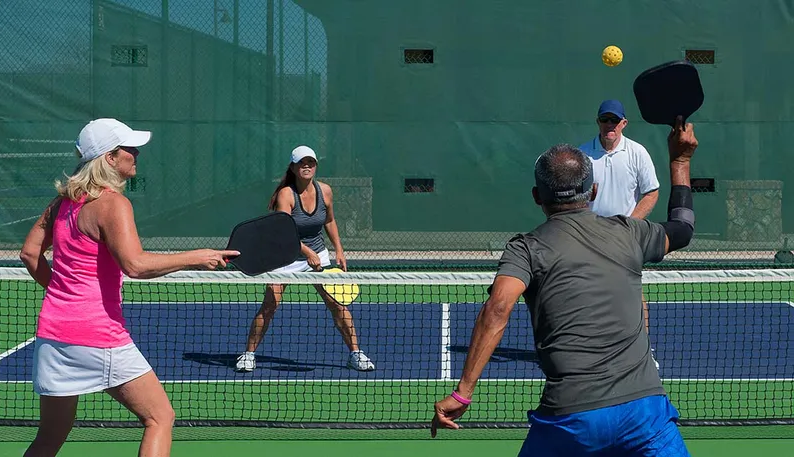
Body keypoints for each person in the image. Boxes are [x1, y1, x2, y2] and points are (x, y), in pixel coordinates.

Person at [431, 117, 698, 456]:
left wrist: (462, 394)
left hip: (571, 420)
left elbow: (498, 309)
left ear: (535, 197)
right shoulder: (630, 233)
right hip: (644, 415)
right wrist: (680, 162)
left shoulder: (526, 248)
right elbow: (683, 227)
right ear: (594, 190)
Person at [19, 118, 239, 457]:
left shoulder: (60, 204)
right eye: (129, 149)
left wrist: (62, 292)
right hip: (97, 335)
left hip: (53, 335)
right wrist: (195, 257)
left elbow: (30, 253)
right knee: (160, 417)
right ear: (109, 158)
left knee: (50, 438)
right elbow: (134, 264)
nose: (136, 154)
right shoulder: (113, 204)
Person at [235, 145, 375, 373]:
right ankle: (248, 354)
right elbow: (284, 232)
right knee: (270, 305)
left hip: (317, 254)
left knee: (337, 304)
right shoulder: (286, 195)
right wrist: (306, 252)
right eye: (302, 162)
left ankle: (355, 353)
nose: (307, 166)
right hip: (285, 257)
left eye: (310, 162)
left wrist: (339, 249)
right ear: (293, 167)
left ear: (316, 166)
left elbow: (329, 220)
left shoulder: (325, 191)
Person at [580, 99, 661, 368]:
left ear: (623, 123)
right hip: (590, 238)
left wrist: (630, 224)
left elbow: (651, 192)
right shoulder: (583, 155)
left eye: (614, 121)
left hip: (626, 237)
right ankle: (591, 352)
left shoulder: (637, 153)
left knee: (632, 294)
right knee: (587, 295)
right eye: (605, 120)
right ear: (598, 122)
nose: (609, 126)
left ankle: (642, 353)